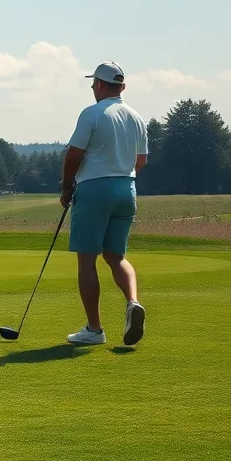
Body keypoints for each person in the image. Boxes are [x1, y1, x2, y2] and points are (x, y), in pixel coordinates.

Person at [61, 61, 149, 347]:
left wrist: (67, 186)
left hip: (95, 189)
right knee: (115, 257)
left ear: (99, 84)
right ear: (121, 87)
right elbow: (141, 161)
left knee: (87, 259)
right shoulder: (136, 117)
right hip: (127, 189)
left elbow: (73, 156)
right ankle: (133, 302)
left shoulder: (92, 114)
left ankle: (95, 330)